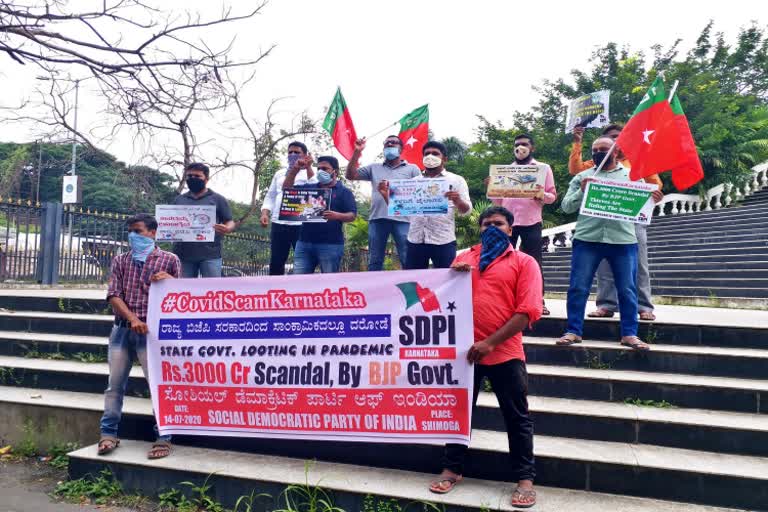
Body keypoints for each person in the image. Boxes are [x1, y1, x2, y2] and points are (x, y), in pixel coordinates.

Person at [430, 206, 542, 509]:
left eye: (499, 223)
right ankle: (452, 469)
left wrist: (490, 343)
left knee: (517, 417)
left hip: (505, 351)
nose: (492, 227)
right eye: (486, 223)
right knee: (459, 414)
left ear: (510, 229)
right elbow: (441, 299)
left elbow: (527, 311)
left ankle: (525, 479)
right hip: (464, 354)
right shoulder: (463, 258)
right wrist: (453, 277)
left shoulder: (524, 262)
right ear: (479, 228)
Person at [558, 137, 664, 350]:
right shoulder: (583, 176)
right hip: (587, 239)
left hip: (623, 240)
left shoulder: (633, 177)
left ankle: (629, 334)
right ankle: (573, 331)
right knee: (578, 287)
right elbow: (566, 206)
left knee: (627, 289)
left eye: (603, 149)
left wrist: (654, 199)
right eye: (595, 150)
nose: (599, 153)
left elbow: (642, 211)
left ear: (616, 152)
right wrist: (582, 191)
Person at [98, 213, 179, 459]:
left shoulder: (169, 260)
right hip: (123, 329)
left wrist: (171, 282)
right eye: (131, 232)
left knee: (157, 386)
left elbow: (181, 297)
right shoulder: (121, 260)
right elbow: (114, 295)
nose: (133, 236)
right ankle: (108, 433)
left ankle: (163, 437)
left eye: (138, 231)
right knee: (114, 385)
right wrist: (132, 319)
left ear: (153, 233)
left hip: (154, 333)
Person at [488, 133, 556, 315]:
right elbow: (498, 202)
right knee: (503, 262)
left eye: (524, 144)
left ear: (532, 148)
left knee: (534, 263)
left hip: (532, 222)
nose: (520, 148)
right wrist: (492, 188)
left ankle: (538, 301)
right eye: (517, 145)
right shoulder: (506, 171)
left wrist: (542, 195)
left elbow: (552, 196)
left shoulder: (543, 168)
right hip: (508, 224)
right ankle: (506, 301)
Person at [377, 141, 471, 269]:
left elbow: (467, 211)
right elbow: (401, 209)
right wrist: (385, 195)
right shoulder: (413, 182)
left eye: (435, 154)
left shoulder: (456, 180)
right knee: (414, 281)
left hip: (443, 240)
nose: (430, 156)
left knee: (446, 280)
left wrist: (458, 200)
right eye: (427, 154)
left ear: (444, 159)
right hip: (415, 240)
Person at [346, 135, 421, 270]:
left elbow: (419, 194)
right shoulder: (374, 168)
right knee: (374, 260)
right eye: (387, 143)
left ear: (401, 148)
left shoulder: (412, 169)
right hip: (377, 219)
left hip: (404, 219)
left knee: (407, 258)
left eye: (394, 143)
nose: (390, 144)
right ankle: (374, 290)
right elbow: (350, 176)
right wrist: (357, 151)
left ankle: (413, 288)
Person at [283, 156, 356, 273]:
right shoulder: (310, 188)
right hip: (304, 244)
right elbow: (286, 189)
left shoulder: (344, 192)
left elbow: (352, 215)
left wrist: (337, 216)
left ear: (335, 172)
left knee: (329, 283)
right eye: (319, 168)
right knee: (299, 282)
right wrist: (295, 168)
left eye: (325, 168)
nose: (320, 171)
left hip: (331, 245)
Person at [261, 141, 316, 275]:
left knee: (303, 261)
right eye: (290, 152)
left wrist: (308, 167)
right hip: (278, 222)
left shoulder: (311, 173)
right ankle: (275, 290)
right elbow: (270, 196)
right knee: (276, 260)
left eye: (297, 152)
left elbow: (316, 189)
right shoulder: (279, 173)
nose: (292, 154)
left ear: (305, 155)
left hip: (301, 223)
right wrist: (264, 213)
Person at [173, 162, 235, 278]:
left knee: (212, 290)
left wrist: (227, 228)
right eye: (189, 176)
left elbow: (230, 221)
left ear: (206, 179)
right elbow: (172, 222)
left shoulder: (218, 199)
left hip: (210, 254)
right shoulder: (179, 200)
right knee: (184, 290)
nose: (193, 178)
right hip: (183, 254)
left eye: (197, 176)